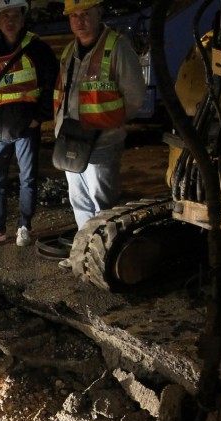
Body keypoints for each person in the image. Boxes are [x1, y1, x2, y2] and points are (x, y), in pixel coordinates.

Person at [56, 0, 146, 268]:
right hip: (73, 140)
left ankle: (105, 261)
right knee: (80, 202)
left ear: (99, 13)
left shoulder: (117, 47)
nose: (79, 20)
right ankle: (84, 256)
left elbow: (135, 97)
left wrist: (111, 122)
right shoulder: (69, 52)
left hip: (103, 141)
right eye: (74, 15)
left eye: (85, 13)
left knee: (102, 206)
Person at [0, 0, 58, 248]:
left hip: (26, 130)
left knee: (27, 180)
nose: (9, 20)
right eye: (4, 15)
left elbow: (52, 85)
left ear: (23, 16)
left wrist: (38, 117)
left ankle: (24, 227)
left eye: (14, 15)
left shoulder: (37, 49)